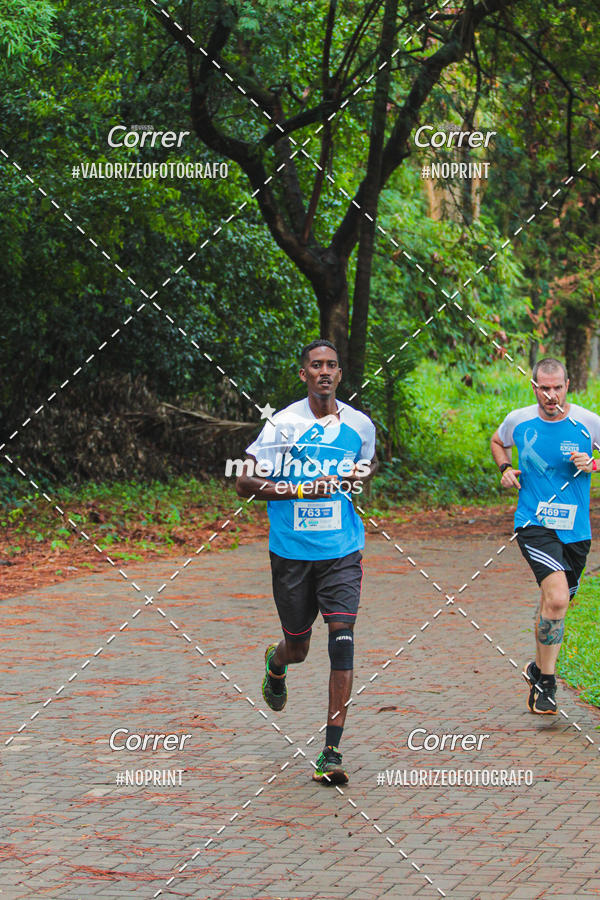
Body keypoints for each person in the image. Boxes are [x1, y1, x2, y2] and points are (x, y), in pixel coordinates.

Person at [236, 340, 377, 784]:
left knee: (342, 641)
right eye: (316, 365)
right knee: (297, 647)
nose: (324, 372)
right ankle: (276, 666)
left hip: (341, 551)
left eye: (332, 365)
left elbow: (363, 474)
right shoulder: (283, 425)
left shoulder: (360, 426)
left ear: (340, 374)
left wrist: (358, 478)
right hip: (292, 554)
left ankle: (331, 752)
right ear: (304, 374)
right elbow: (243, 481)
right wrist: (299, 489)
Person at [491, 357, 600, 715]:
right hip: (534, 524)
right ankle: (548, 685)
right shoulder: (519, 420)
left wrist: (594, 464)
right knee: (554, 600)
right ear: (534, 387)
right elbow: (497, 441)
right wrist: (505, 468)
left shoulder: (587, 422)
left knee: (557, 604)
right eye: (543, 388)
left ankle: (538, 670)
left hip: (577, 532)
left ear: (568, 384)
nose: (550, 395)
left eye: (557, 388)